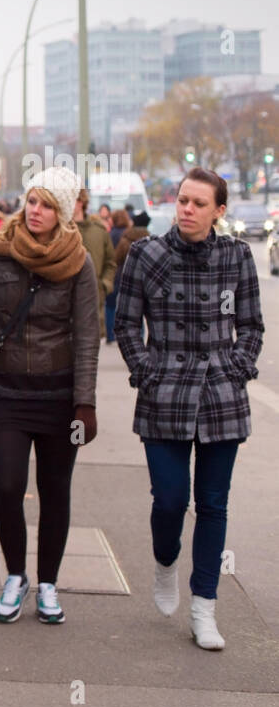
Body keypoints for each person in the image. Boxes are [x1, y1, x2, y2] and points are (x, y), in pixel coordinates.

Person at [113, 167, 264, 650]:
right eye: (182, 200)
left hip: (221, 395)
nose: (187, 209)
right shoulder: (147, 254)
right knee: (171, 500)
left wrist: (237, 367)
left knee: (214, 505)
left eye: (199, 203)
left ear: (219, 211)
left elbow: (253, 326)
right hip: (165, 394)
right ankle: (165, 562)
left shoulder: (237, 256)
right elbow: (125, 323)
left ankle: (205, 608)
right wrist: (147, 371)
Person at [0, 167, 100, 625]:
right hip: (5, 394)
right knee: (9, 486)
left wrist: (84, 401)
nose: (36, 211)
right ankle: (16, 574)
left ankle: (47, 581)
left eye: (48, 205)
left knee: (55, 491)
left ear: (63, 212)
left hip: (58, 395)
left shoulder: (79, 262)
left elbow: (88, 335)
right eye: (32, 200)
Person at [74, 188, 116, 331]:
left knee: (91, 346)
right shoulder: (59, 229)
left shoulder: (99, 231)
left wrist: (104, 285)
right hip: (64, 303)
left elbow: (110, 263)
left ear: (81, 202)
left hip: (94, 300)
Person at [104, 210, 132, 342]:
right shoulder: (129, 234)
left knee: (110, 306)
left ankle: (110, 335)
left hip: (114, 274)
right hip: (127, 274)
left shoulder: (109, 235)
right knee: (127, 308)